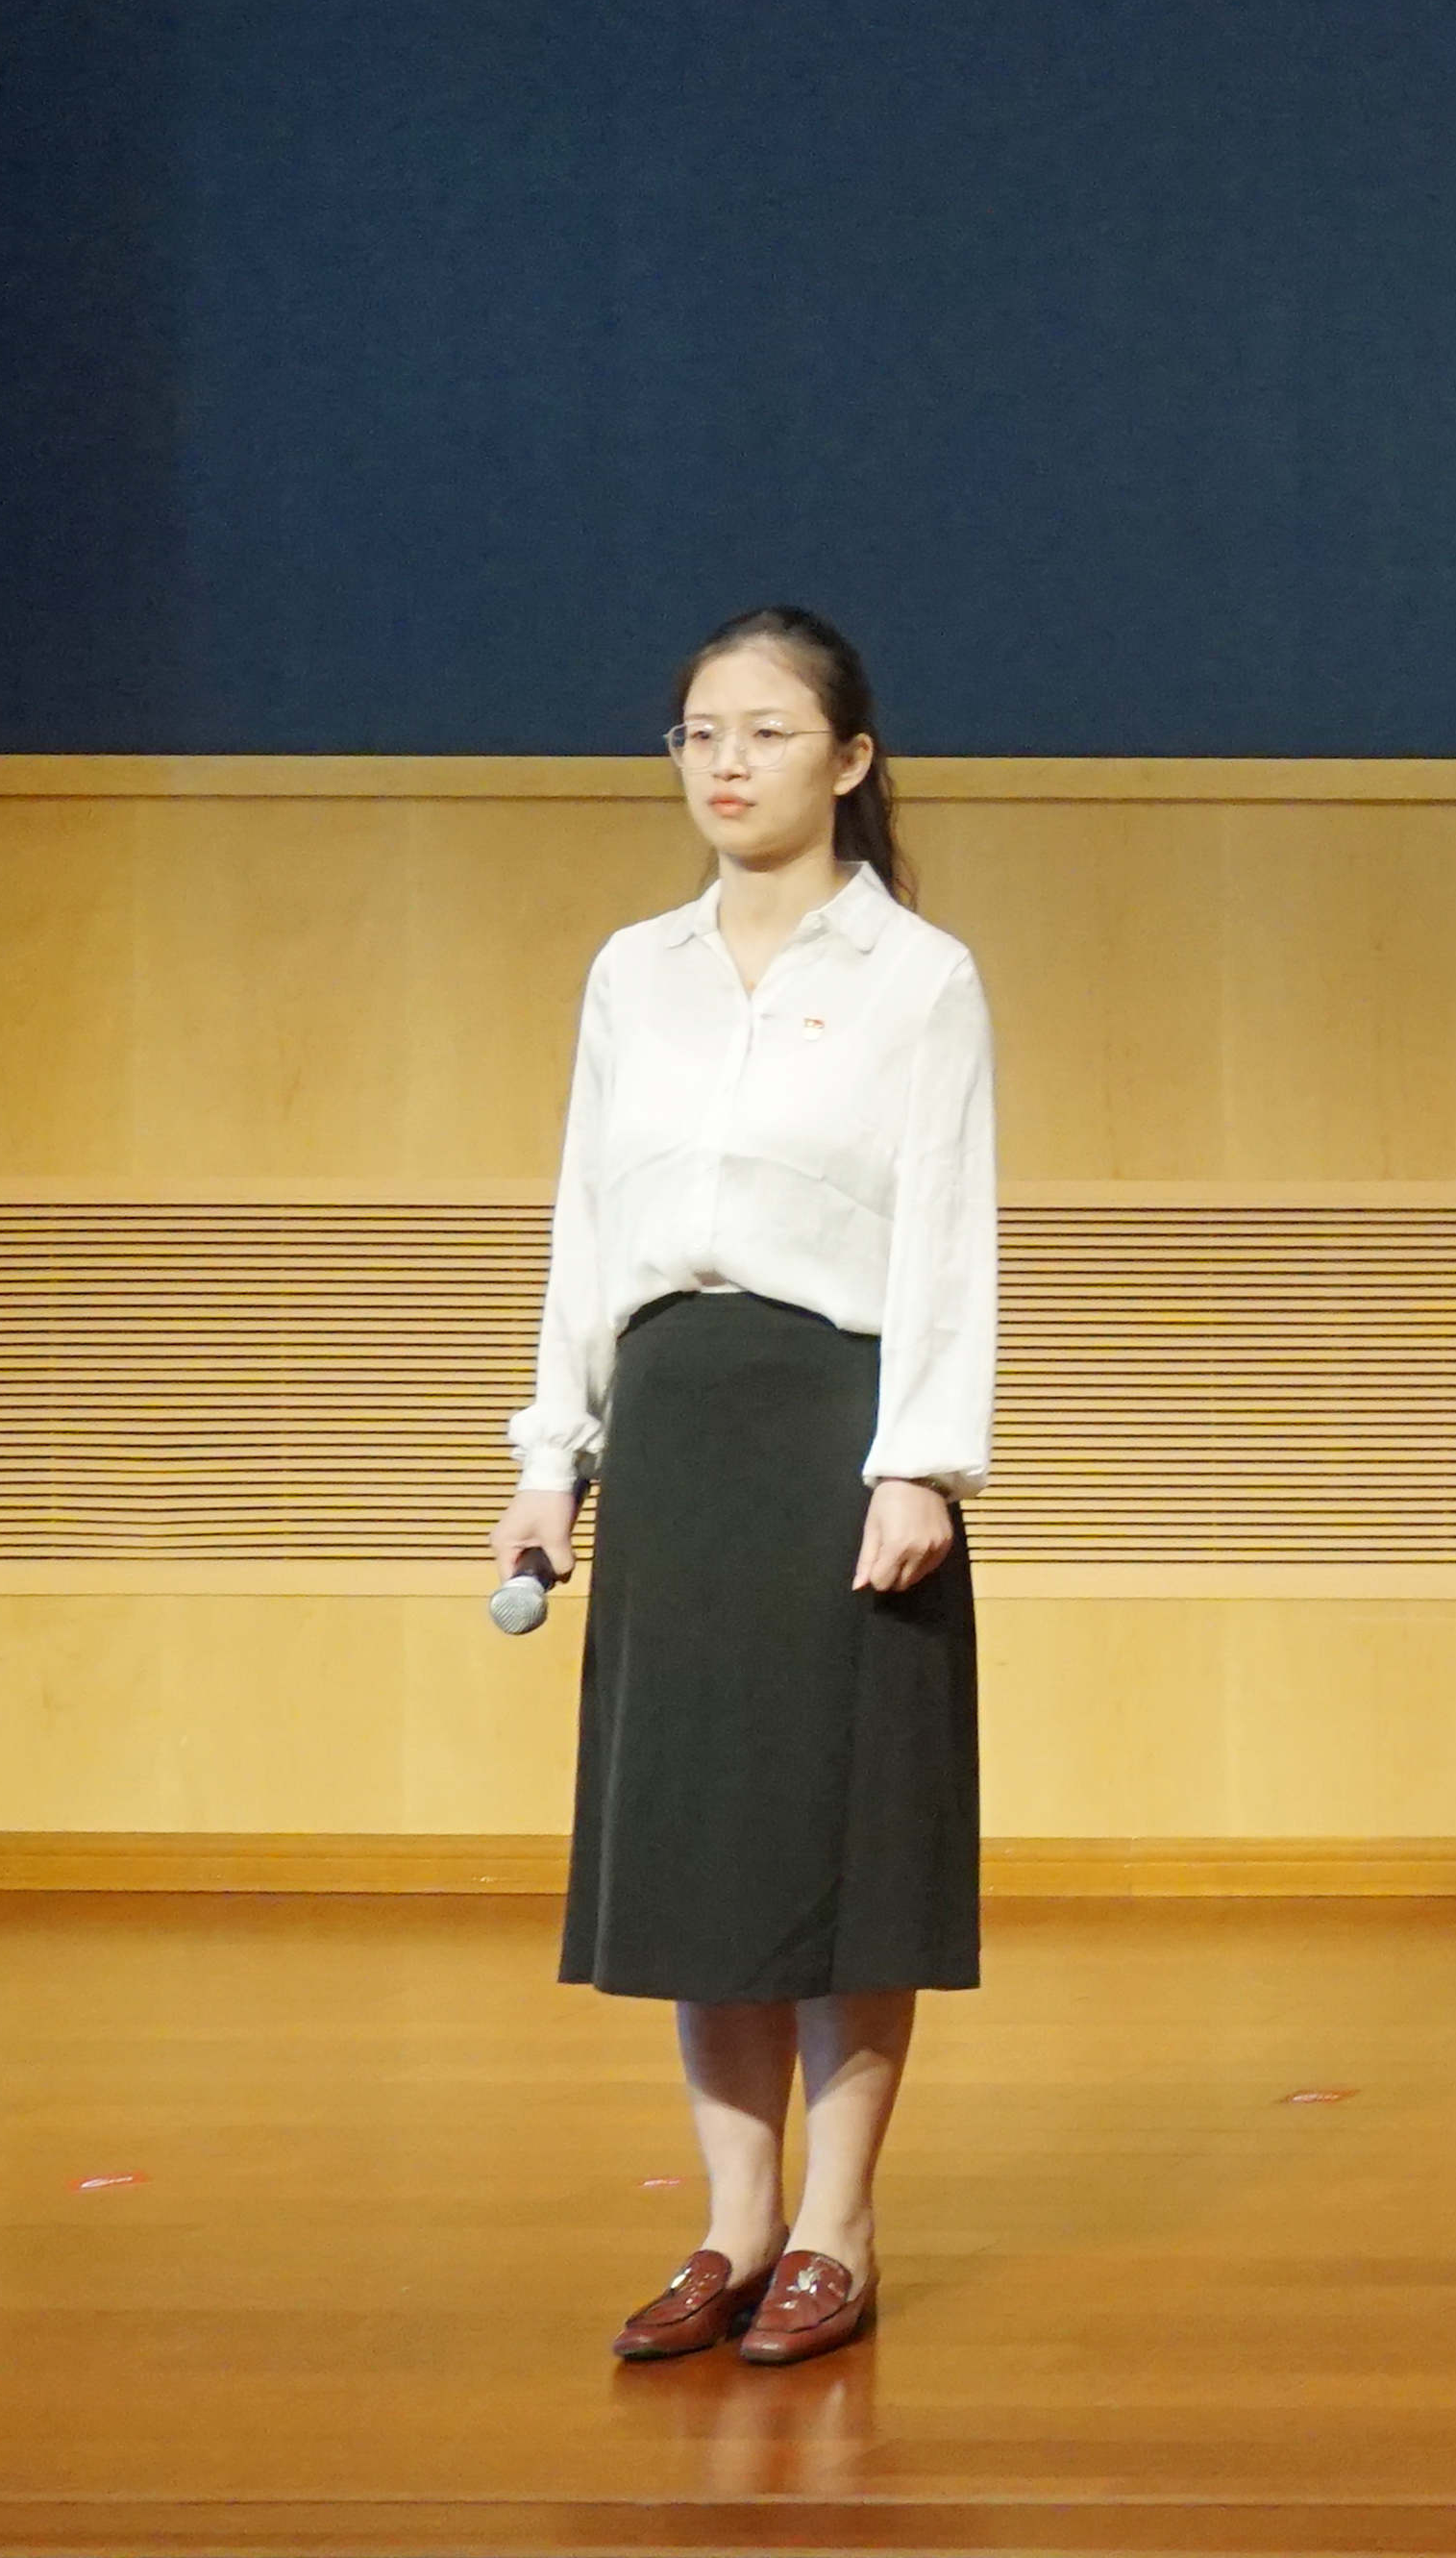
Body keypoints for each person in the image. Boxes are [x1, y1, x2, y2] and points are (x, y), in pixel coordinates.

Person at [486, 606, 997, 2372]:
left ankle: (837, 2230)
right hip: (682, 1426)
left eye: (766, 732)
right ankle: (733, 2225)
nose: (726, 763)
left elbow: (948, 1234)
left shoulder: (918, 976)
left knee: (847, 1844)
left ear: (849, 759)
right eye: (700, 732)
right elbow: (586, 1224)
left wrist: (920, 1461)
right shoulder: (635, 971)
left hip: (839, 1425)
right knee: (703, 1842)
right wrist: (551, 1454)